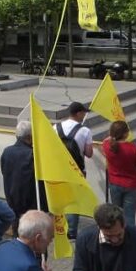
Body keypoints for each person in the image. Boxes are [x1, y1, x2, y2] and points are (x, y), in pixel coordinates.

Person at [54, 102, 93, 239]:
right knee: (74, 201)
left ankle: (58, 228)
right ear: (78, 113)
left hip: (59, 170)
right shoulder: (85, 131)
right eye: (83, 112)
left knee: (59, 199)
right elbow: (89, 153)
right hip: (77, 171)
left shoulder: (55, 127)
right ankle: (71, 232)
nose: (84, 115)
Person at [1, 121, 47, 234]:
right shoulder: (32, 155)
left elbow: (4, 173)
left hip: (13, 204)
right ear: (30, 137)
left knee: (18, 237)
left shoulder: (7, 152)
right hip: (31, 208)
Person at [102, 120, 136, 226]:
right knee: (129, 215)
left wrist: (112, 136)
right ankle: (129, 237)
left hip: (114, 184)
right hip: (132, 185)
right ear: (125, 134)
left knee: (116, 213)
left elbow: (105, 141)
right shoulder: (133, 148)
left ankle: (116, 233)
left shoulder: (107, 145)